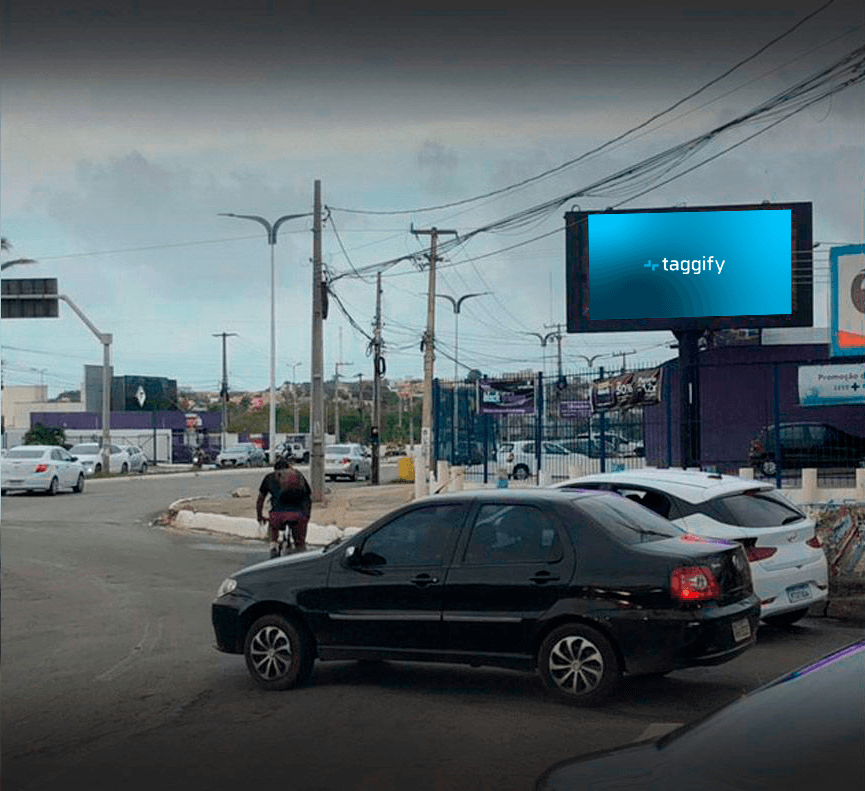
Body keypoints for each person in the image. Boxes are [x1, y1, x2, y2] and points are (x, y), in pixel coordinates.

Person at [256, 457, 312, 558]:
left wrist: (260, 516)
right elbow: (308, 497)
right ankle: (301, 552)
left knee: (273, 527)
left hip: (278, 516)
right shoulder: (298, 475)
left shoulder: (270, 477)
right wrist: (307, 516)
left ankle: (273, 545)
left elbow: (260, 500)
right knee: (300, 545)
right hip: (298, 516)